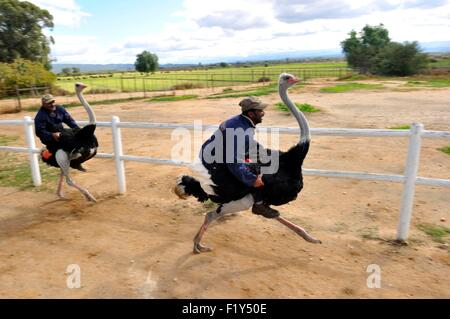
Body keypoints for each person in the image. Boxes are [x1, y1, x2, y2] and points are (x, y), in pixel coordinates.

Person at [200, 96, 280, 219]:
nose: (263, 113)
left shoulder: (242, 122)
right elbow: (232, 161)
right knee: (254, 175)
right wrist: (252, 179)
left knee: (261, 164)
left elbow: (246, 144)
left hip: (218, 155)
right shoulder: (239, 129)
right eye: (260, 111)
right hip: (213, 163)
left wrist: (265, 154)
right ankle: (258, 204)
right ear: (251, 113)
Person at [34, 93, 80, 159]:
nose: (52, 104)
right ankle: (46, 151)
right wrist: (52, 135)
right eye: (49, 103)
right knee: (66, 140)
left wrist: (77, 129)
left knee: (74, 135)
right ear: (44, 104)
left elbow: (69, 120)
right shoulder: (40, 116)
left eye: (53, 102)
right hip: (49, 138)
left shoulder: (60, 109)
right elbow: (39, 132)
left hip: (61, 132)